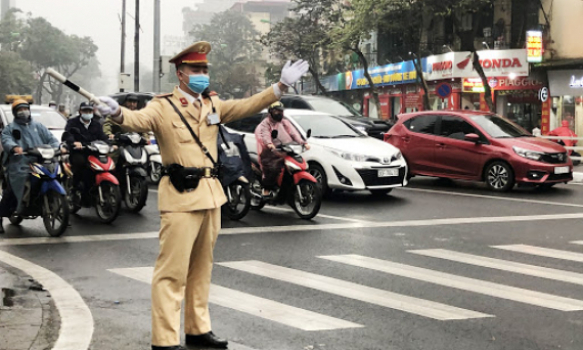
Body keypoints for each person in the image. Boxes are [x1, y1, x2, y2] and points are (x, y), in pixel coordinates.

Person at [94, 41, 308, 350]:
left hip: (211, 195)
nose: (202, 74)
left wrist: (280, 86)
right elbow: (138, 121)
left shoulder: (212, 104)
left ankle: (198, 329)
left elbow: (248, 105)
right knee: (171, 272)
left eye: (205, 69)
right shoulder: (163, 105)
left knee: (201, 269)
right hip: (180, 197)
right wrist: (116, 112)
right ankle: (165, 340)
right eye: (196, 69)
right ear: (181, 73)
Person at [0, 99, 61, 233]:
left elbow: (51, 139)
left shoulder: (38, 126)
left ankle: (60, 212)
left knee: (58, 174)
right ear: (15, 112)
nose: (23, 112)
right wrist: (15, 147)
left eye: (25, 109)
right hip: (19, 163)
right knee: (12, 189)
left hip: (40, 160)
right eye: (20, 110)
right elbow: (6, 140)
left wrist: (58, 147)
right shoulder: (10, 128)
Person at [255, 101, 310, 196]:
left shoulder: (285, 122)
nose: (279, 113)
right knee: (274, 168)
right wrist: (269, 144)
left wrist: (303, 143)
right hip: (269, 151)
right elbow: (265, 135)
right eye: (276, 111)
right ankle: (266, 189)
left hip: (284, 149)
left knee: (296, 164)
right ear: (271, 112)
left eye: (281, 111)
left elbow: (294, 133)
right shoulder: (266, 123)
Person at [63, 102, 111, 193]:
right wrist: (74, 143)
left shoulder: (96, 124)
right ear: (80, 111)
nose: (87, 113)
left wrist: (110, 144)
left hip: (94, 151)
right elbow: (68, 135)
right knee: (81, 165)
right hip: (79, 151)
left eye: (89, 111)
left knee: (106, 164)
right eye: (85, 110)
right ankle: (76, 187)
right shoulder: (72, 122)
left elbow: (102, 136)